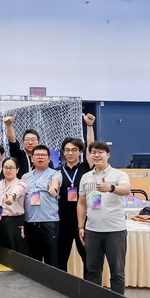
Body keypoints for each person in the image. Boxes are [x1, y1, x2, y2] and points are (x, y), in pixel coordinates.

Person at [78, 141, 131, 295]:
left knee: (117, 272)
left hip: (115, 230)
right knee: (92, 271)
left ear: (108, 155)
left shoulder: (118, 174)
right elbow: (81, 203)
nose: (96, 155)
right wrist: (81, 226)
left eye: (100, 152)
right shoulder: (86, 177)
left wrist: (111, 188)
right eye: (93, 152)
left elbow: (127, 189)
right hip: (92, 230)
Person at [57, 113, 97, 273]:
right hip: (62, 221)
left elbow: (91, 146)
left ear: (80, 152)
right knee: (60, 259)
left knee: (88, 258)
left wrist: (89, 126)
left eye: (74, 150)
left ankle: (89, 286)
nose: (70, 153)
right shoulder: (57, 171)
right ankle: (62, 285)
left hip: (84, 221)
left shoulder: (86, 168)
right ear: (63, 152)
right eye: (67, 150)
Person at [22, 145, 62, 267]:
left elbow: (55, 183)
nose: (40, 157)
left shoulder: (55, 174)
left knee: (51, 259)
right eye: (37, 155)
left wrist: (53, 189)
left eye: (43, 155)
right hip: (30, 222)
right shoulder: (25, 177)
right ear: (32, 158)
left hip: (49, 222)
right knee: (33, 260)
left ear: (49, 159)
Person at [0, 157, 29, 254]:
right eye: (6, 167)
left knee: (17, 250)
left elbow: (18, 191)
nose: (8, 170)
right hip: (1, 220)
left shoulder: (21, 183)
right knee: (3, 251)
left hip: (15, 221)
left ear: (17, 170)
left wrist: (12, 197)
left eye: (11, 168)